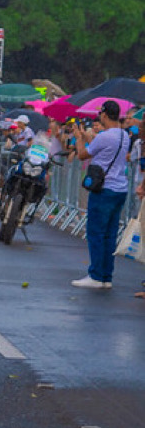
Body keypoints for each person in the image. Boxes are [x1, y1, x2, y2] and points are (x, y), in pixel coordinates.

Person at [71, 101, 130, 289]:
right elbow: (103, 149)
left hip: (104, 189)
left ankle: (95, 275)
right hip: (120, 189)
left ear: (104, 115)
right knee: (110, 234)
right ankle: (106, 276)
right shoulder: (124, 136)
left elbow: (82, 154)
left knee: (96, 232)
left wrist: (79, 137)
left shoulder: (104, 137)